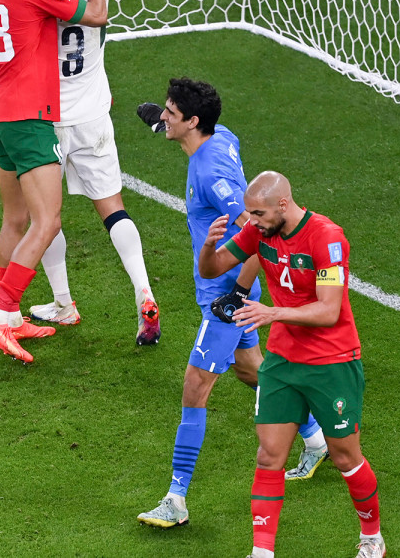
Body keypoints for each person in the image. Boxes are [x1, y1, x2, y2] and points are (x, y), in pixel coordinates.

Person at [134, 80, 325, 529]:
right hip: (226, 290)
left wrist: (237, 293)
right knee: (249, 368)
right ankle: (316, 436)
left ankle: (176, 498)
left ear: (193, 121)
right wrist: (158, 124)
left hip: (225, 295)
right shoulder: (222, 137)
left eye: (170, 113)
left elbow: (258, 234)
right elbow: (208, 136)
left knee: (194, 390)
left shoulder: (211, 178)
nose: (163, 117)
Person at [199, 171, 385, 558]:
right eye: (250, 214)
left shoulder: (327, 237)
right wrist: (207, 247)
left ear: (283, 205)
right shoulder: (260, 231)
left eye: (259, 213)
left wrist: (272, 314)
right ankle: (262, 553)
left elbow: (329, 310)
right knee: (269, 456)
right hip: (283, 362)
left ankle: (372, 539)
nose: (251, 221)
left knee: (345, 455)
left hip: (331, 362)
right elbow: (212, 269)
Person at [0, 0, 161, 345]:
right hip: (92, 117)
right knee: (113, 208)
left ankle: (63, 302)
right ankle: (144, 291)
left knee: (42, 216)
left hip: (43, 116)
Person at [0, 0, 107, 363]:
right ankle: (0, 310)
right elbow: (99, 13)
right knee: (48, 221)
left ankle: (8, 315)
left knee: (15, 220)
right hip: (30, 119)